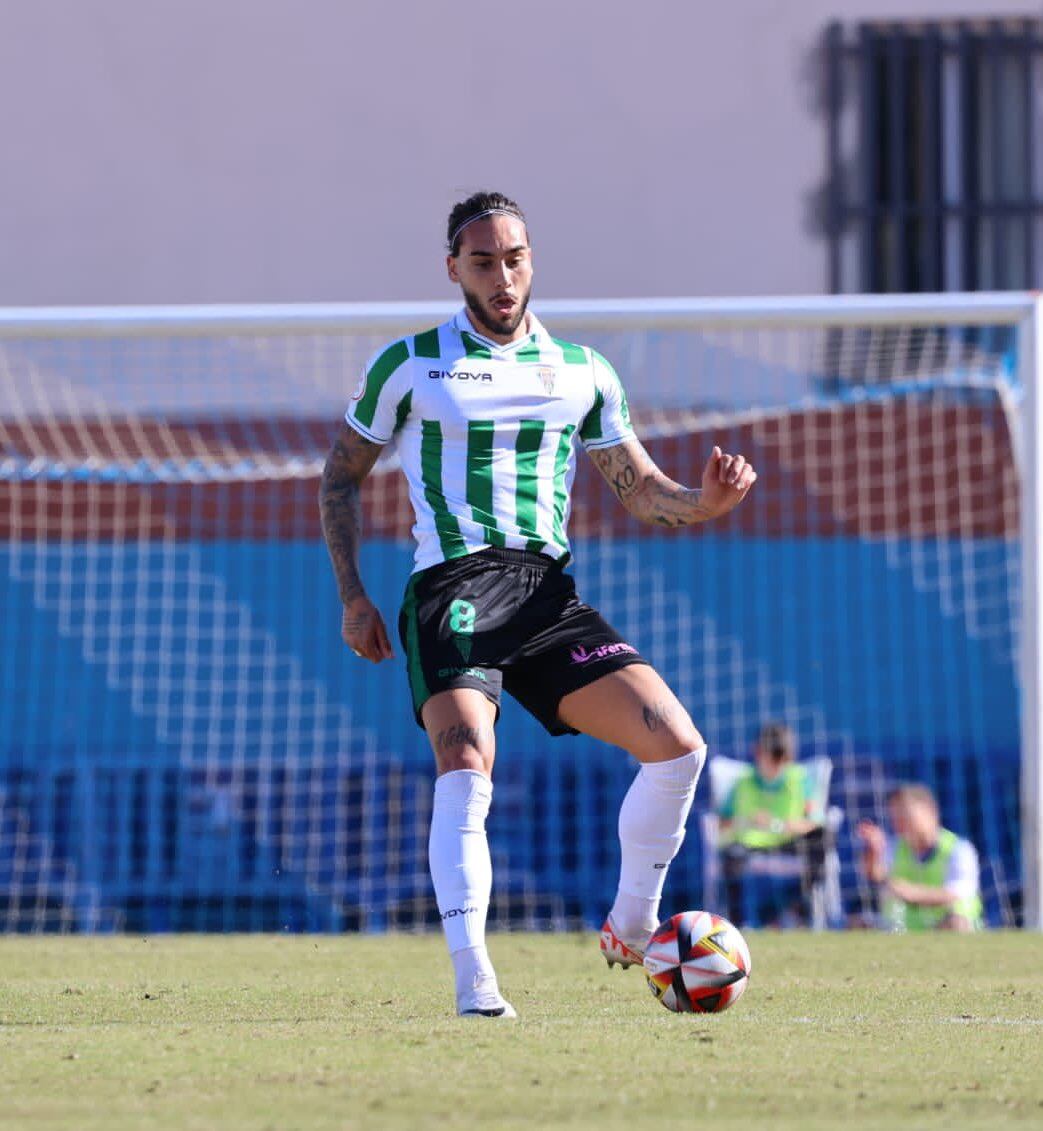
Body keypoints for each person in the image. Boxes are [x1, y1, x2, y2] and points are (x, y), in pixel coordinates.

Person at [319, 190, 757, 1018]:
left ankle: (632, 922)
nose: (502, 275)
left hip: (547, 595)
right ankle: (473, 979)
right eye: (482, 261)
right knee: (467, 764)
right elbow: (340, 476)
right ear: (453, 269)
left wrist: (701, 505)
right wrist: (352, 595)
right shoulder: (410, 365)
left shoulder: (582, 371)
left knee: (678, 748)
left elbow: (639, 488)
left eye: (513, 257)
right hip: (450, 590)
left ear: (532, 260)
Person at [716, 722, 827, 926]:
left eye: (781, 760)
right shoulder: (742, 782)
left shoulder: (800, 778)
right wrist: (745, 821)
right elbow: (722, 823)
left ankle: (793, 906)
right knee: (730, 856)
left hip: (789, 842)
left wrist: (787, 825)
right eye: (772, 759)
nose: (777, 766)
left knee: (823, 838)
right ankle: (738, 924)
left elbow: (816, 820)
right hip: (750, 845)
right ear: (757, 752)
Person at [857, 783, 982, 932]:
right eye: (895, 815)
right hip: (902, 929)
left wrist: (910, 893)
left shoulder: (959, 849)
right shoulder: (895, 846)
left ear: (930, 812)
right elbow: (875, 874)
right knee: (857, 923)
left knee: (957, 923)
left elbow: (956, 893)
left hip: (948, 928)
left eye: (905, 814)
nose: (899, 821)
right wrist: (873, 850)